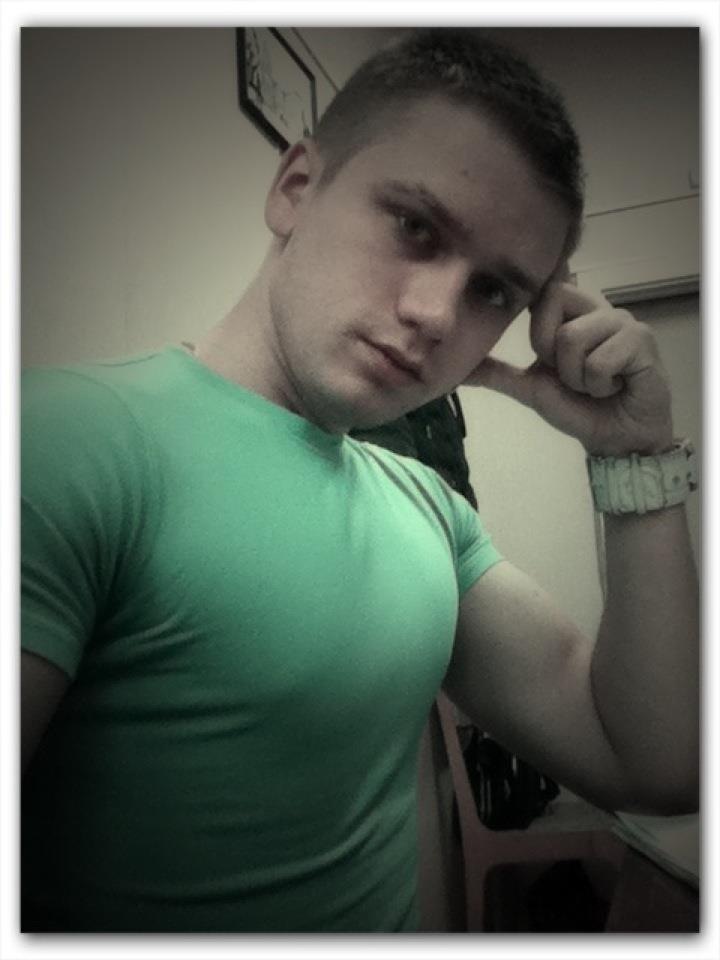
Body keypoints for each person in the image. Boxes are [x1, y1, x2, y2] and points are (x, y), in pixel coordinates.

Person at [21, 28, 699, 933]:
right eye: (415, 227)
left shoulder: (427, 510)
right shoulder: (64, 444)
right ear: (296, 187)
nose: (436, 314)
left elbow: (653, 764)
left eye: (494, 291)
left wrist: (634, 457)